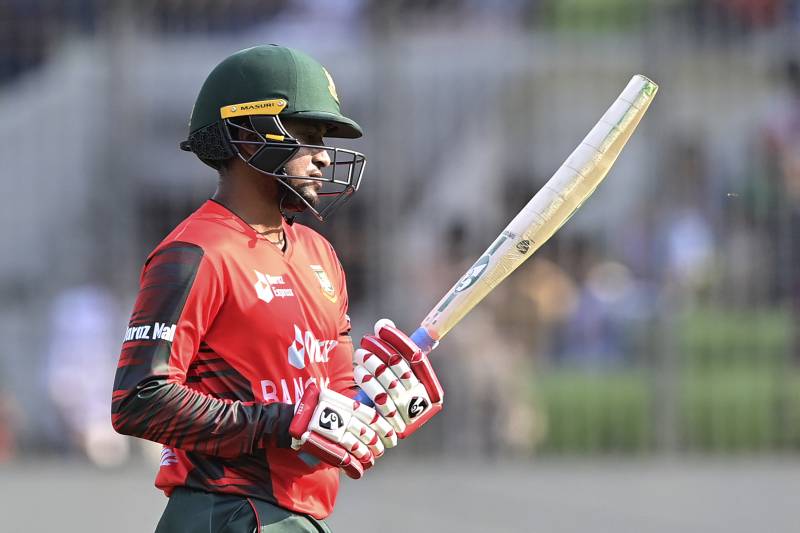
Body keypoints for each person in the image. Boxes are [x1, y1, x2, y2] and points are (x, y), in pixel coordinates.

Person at [111, 44, 443, 532]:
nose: (324, 158)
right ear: (248, 136)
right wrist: (279, 421)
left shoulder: (320, 255)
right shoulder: (196, 252)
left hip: (297, 517)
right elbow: (139, 399)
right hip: (224, 510)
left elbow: (331, 403)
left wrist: (375, 407)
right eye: (307, 136)